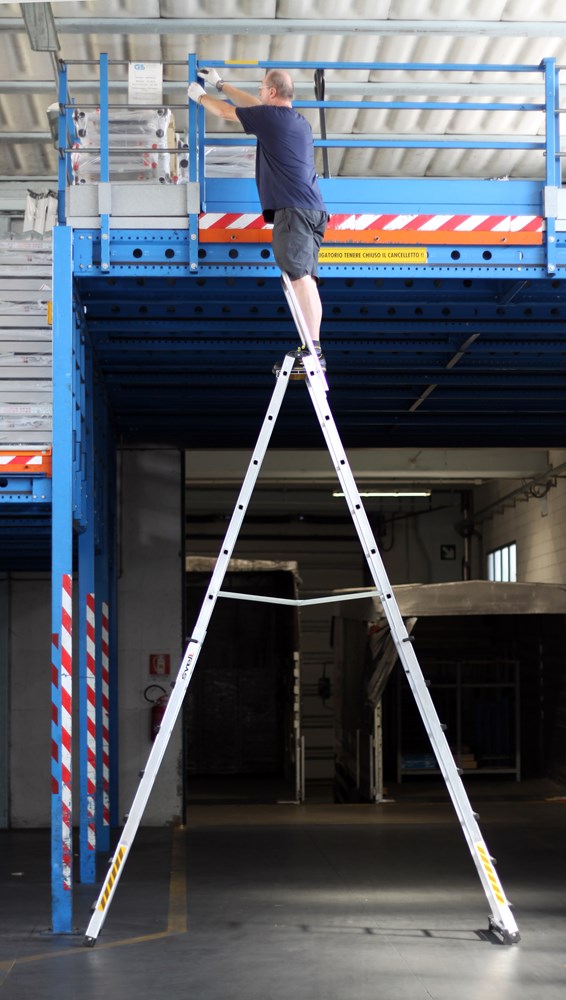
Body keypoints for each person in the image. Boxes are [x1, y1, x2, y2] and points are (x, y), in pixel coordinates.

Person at [188, 67, 328, 374]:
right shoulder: (295, 121)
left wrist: (200, 97)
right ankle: (312, 347)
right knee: (303, 277)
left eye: (263, 88)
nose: (260, 92)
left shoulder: (271, 119)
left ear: (273, 93)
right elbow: (253, 105)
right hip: (310, 210)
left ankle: (314, 350)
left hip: (294, 211)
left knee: (300, 277)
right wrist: (222, 83)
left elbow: (227, 112)